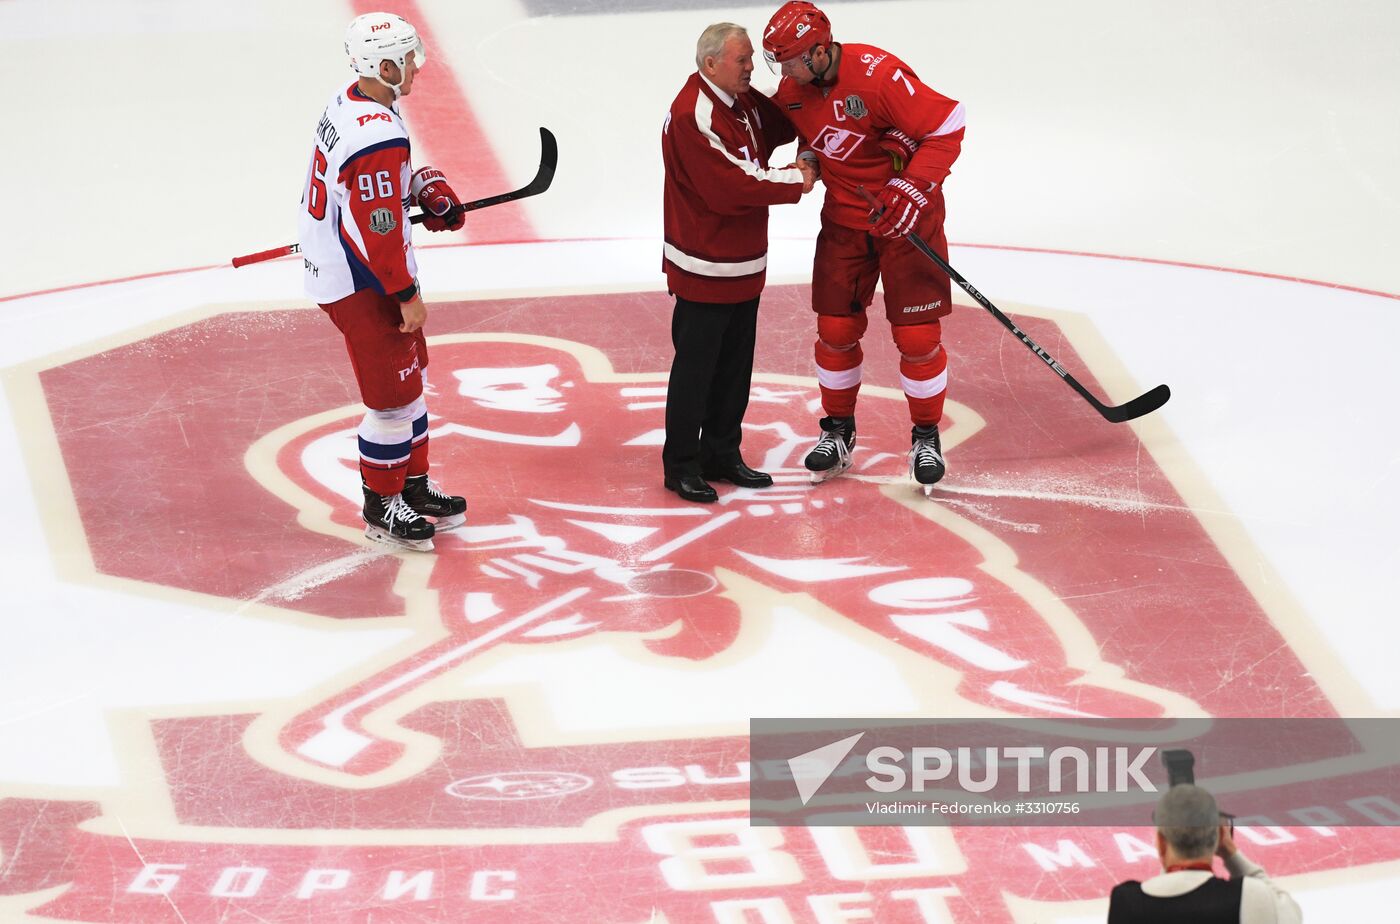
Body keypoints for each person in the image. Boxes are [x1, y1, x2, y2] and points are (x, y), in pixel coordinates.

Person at [761, 1, 965, 490]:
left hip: (906, 222)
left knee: (917, 338)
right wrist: (808, 155)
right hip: (845, 223)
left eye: (789, 59)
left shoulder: (879, 75)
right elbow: (811, 133)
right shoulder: (793, 90)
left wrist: (912, 187)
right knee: (834, 330)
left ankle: (925, 436)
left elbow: (948, 124)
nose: (783, 72)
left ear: (818, 51)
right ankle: (837, 431)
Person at [297, 12, 468, 551]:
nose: (417, 66)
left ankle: (412, 486)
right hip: (363, 281)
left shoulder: (355, 98)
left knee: (409, 382)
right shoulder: (377, 135)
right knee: (391, 402)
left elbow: (374, 191)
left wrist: (422, 185)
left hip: (356, 266)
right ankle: (382, 503)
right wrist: (405, 295)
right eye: (408, 58)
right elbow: (378, 230)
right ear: (385, 64)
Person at [661, 22, 816, 503]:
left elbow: (781, 120)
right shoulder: (694, 114)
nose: (752, 66)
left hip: (744, 263)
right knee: (696, 370)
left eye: (751, 58)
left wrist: (815, 92)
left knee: (734, 367)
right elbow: (734, 185)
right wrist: (799, 177)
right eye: (743, 59)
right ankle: (682, 464)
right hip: (703, 265)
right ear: (711, 64)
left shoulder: (741, 99)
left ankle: (722, 453)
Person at [1109, 784, 1303, 922]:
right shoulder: (1251, 895)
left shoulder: (1126, 902)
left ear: (1161, 842)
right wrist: (1231, 854)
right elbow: (1291, 915)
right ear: (1219, 836)